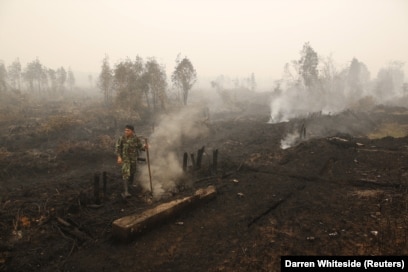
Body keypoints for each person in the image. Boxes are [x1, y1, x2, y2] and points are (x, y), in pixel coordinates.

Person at [115, 125, 146, 198]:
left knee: (132, 172)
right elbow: (118, 148)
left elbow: (140, 147)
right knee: (126, 173)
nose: (126, 132)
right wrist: (119, 157)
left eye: (128, 130)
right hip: (125, 159)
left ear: (132, 131)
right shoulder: (122, 138)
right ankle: (126, 192)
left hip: (133, 159)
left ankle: (130, 186)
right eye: (125, 130)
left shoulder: (136, 139)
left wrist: (145, 147)